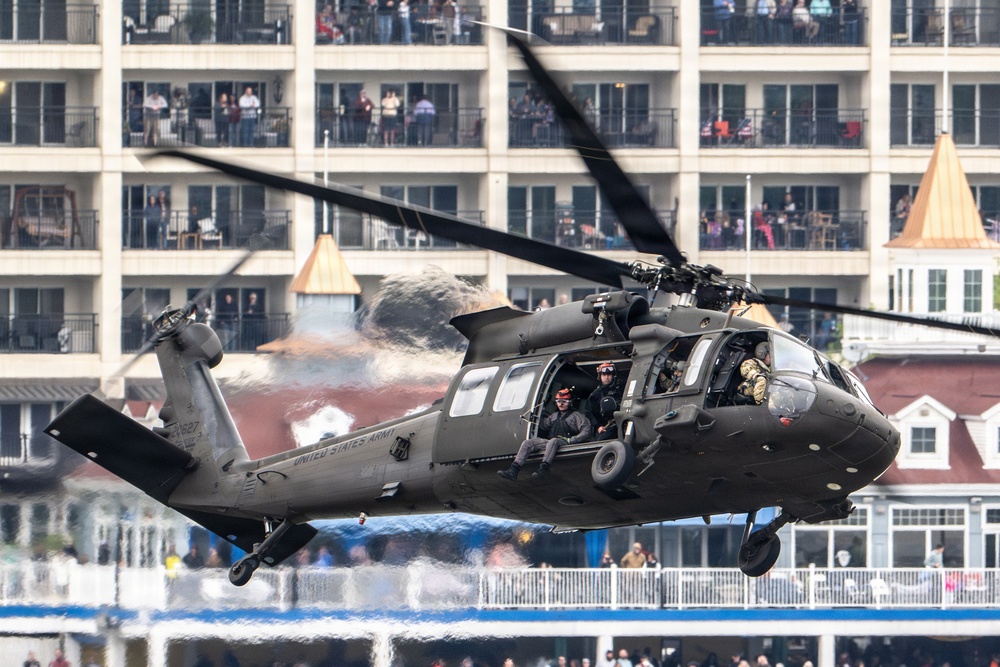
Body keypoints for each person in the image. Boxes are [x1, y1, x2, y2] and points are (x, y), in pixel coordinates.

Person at [497, 387, 592, 481]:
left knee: (553, 441)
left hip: (565, 442)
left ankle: (543, 470)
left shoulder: (577, 416)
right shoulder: (554, 416)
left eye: (564, 401)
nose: (561, 404)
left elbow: (587, 430)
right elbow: (543, 425)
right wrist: (539, 412)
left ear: (571, 402)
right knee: (528, 443)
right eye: (559, 401)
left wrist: (573, 440)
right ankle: (513, 470)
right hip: (551, 443)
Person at [586, 362, 623, 441]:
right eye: (604, 374)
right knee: (600, 441)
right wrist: (598, 426)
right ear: (600, 376)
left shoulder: (621, 389)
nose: (606, 377)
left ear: (613, 375)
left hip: (623, 421)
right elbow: (588, 412)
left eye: (609, 374)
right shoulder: (595, 394)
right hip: (607, 425)